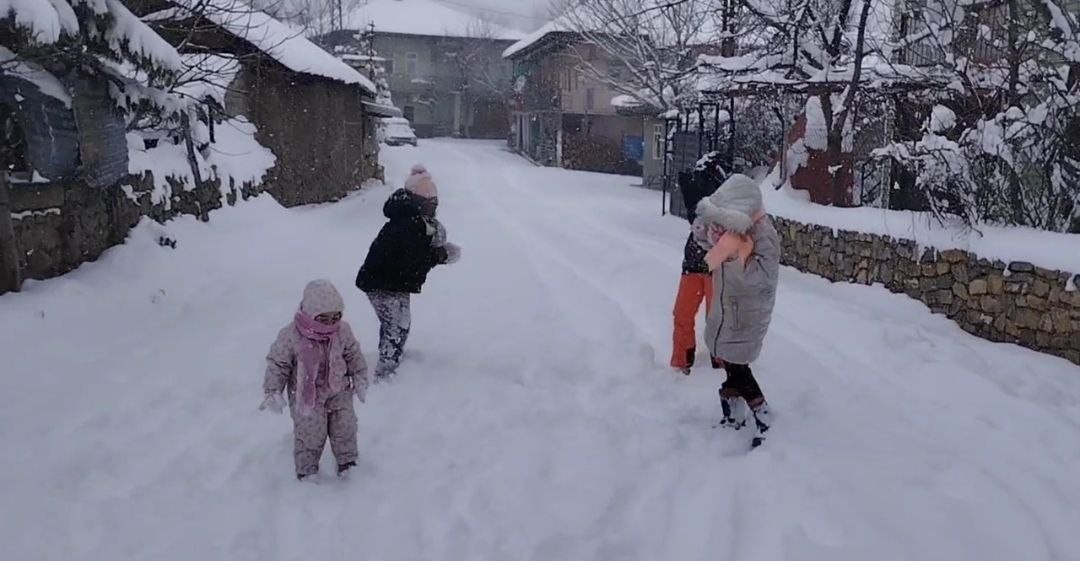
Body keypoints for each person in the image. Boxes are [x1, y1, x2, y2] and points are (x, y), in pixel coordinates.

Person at [692, 174, 780, 447]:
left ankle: (764, 415)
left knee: (739, 367)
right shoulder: (733, 232)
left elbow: (761, 279)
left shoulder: (763, 234)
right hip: (728, 308)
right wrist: (706, 234)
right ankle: (733, 414)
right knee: (731, 363)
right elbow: (715, 248)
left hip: (747, 312)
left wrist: (733, 255)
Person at [355, 164, 461, 380]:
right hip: (381, 282)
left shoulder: (416, 221)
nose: (433, 206)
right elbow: (415, 260)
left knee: (401, 323)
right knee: (395, 326)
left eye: (435, 202)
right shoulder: (407, 225)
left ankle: (393, 359)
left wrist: (437, 251)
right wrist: (441, 255)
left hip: (395, 282)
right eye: (429, 202)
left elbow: (418, 255)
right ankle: (386, 371)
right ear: (416, 201)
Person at [261, 280, 369, 481]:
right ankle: (307, 470)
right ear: (309, 314)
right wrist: (273, 390)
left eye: (336, 317)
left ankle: (347, 462)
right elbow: (278, 364)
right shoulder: (291, 335)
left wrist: (360, 375)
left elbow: (353, 354)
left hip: (339, 390)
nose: (330, 323)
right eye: (324, 318)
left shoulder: (342, 331)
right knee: (310, 433)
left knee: (345, 427)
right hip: (307, 396)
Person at [671, 153, 727, 374]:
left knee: (716, 318)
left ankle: (721, 363)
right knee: (682, 314)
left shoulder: (726, 201)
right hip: (693, 264)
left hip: (716, 267)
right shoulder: (698, 202)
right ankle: (682, 361)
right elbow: (696, 221)